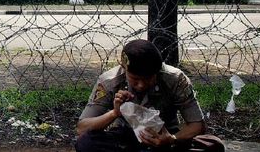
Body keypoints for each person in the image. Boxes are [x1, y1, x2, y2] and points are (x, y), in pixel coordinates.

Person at [75, 39, 225, 152]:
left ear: (157, 71)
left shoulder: (175, 79)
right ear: (124, 69)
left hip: (165, 137)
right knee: (86, 143)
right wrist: (114, 113)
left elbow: (197, 125)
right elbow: (82, 127)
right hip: (125, 138)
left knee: (214, 145)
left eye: (147, 79)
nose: (141, 85)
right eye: (134, 79)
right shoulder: (109, 81)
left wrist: (172, 139)